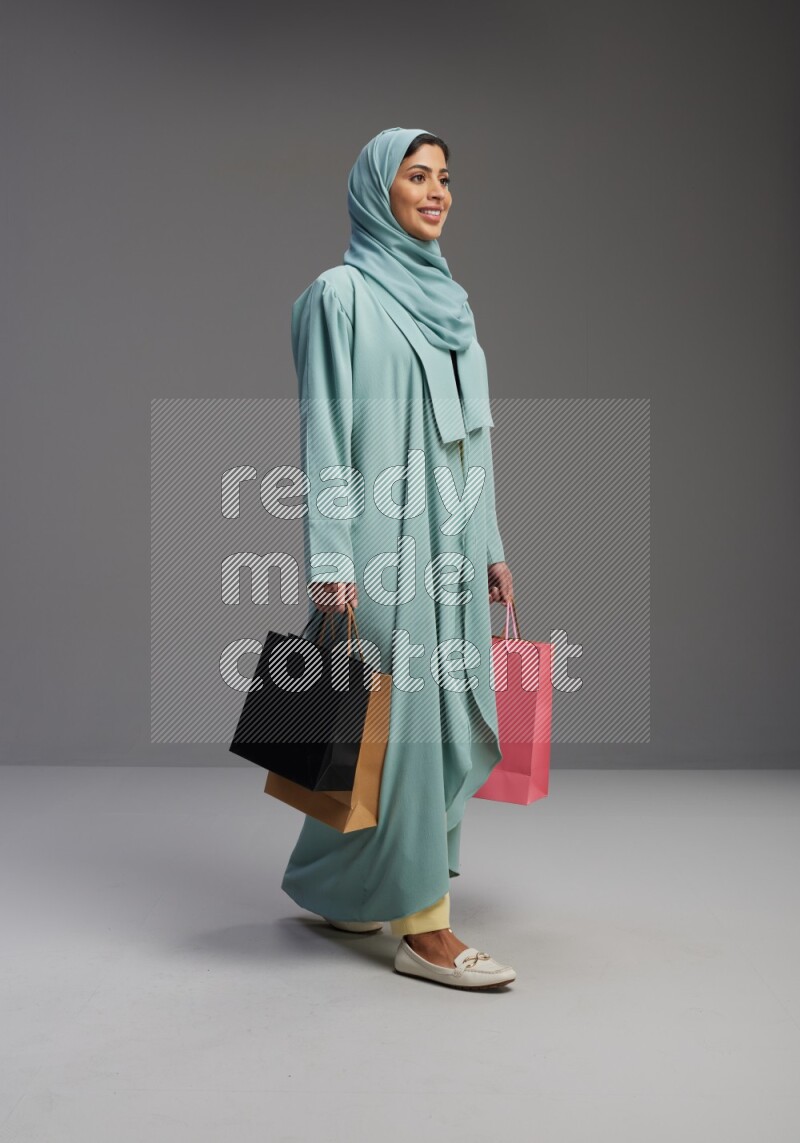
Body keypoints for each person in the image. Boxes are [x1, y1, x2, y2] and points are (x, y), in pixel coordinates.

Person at [280, 127, 517, 990]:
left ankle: (339, 888)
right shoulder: (338, 296)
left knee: (434, 723)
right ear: (378, 189)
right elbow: (325, 431)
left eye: (444, 177)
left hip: (453, 545)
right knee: (402, 724)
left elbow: (473, 440)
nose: (436, 191)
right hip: (381, 546)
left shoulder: (451, 302)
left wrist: (491, 546)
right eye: (417, 176)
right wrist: (331, 560)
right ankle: (426, 928)